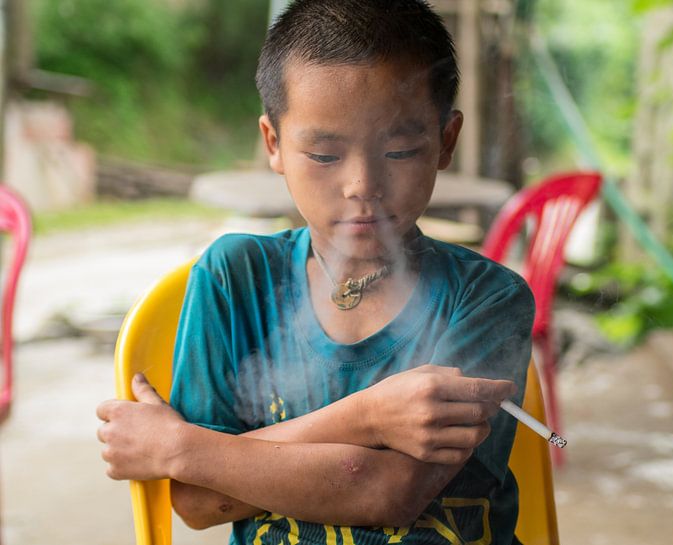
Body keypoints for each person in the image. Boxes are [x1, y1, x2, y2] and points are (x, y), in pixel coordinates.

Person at [96, 1, 535, 544]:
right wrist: (370, 419)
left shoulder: (488, 298)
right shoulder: (235, 280)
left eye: (399, 150)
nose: (361, 184)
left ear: (446, 140)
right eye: (325, 155)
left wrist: (182, 448)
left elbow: (390, 492)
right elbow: (199, 501)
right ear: (274, 144)